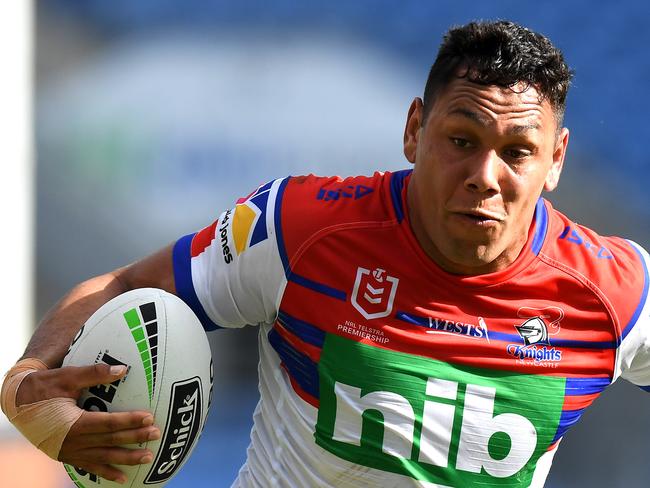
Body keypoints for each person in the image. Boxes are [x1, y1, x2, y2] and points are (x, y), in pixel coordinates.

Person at [2, 20, 649, 488]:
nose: (485, 174)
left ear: (555, 159)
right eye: (460, 138)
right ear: (413, 130)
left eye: (517, 152)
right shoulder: (303, 228)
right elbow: (124, 286)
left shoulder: (613, 291)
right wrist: (29, 382)